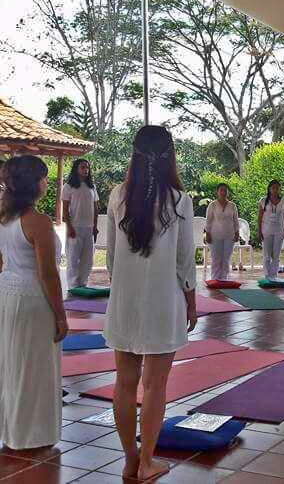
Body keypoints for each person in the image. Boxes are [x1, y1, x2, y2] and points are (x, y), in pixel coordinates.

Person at [104, 126, 197, 481]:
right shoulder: (179, 200)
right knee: (155, 386)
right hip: (163, 302)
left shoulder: (117, 196)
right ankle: (147, 461)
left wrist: (125, 287)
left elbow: (112, 259)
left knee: (124, 383)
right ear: (170, 156)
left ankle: (130, 459)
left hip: (125, 302)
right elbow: (184, 261)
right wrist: (191, 302)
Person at [0, 156, 67, 451]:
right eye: (43, 177)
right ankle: (31, 433)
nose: (47, 182)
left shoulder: (3, 217)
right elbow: (48, 274)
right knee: (34, 367)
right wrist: (61, 316)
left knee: (11, 365)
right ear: (32, 184)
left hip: (7, 293)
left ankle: (11, 429)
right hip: (32, 299)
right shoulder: (37, 222)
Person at [62, 158, 99, 288]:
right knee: (73, 258)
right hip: (75, 227)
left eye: (87, 168)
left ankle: (83, 283)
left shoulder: (92, 187)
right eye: (83, 167)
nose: (86, 170)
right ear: (76, 169)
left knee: (88, 259)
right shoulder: (68, 186)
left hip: (89, 228)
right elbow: (65, 209)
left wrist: (95, 226)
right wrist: (69, 226)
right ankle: (73, 285)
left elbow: (95, 207)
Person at [204, 183, 239, 281]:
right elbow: (208, 220)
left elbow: (235, 220)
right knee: (216, 258)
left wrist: (237, 233)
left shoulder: (233, 206)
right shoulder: (212, 205)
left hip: (229, 235)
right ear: (217, 192)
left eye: (225, 190)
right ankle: (215, 278)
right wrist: (207, 233)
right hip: (215, 235)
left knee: (226, 258)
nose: (223, 192)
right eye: (221, 190)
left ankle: (224, 278)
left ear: (227, 192)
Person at [258, 180, 284, 280]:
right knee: (267, 255)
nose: (275, 190)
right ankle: (267, 276)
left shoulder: (283, 201)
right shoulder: (263, 201)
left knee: (276, 255)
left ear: (280, 189)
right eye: (273, 188)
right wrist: (259, 231)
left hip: (279, 231)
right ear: (269, 189)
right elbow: (260, 217)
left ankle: (274, 276)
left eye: (277, 188)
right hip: (266, 231)